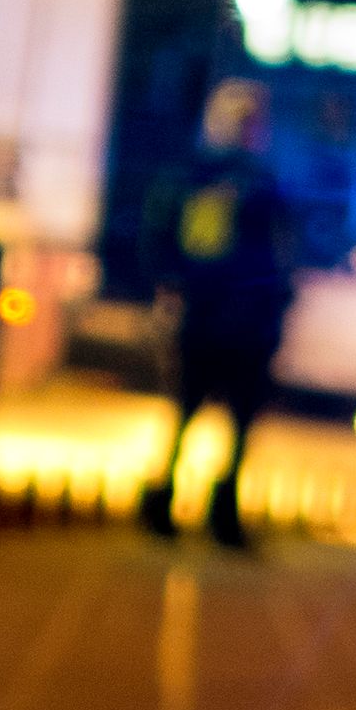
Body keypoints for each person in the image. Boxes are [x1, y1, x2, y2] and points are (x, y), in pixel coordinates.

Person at [137, 77, 296, 548]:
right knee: (199, 415)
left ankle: (188, 507)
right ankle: (194, 508)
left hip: (229, 319)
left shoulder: (215, 177)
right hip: (218, 317)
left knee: (213, 418)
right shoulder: (234, 180)